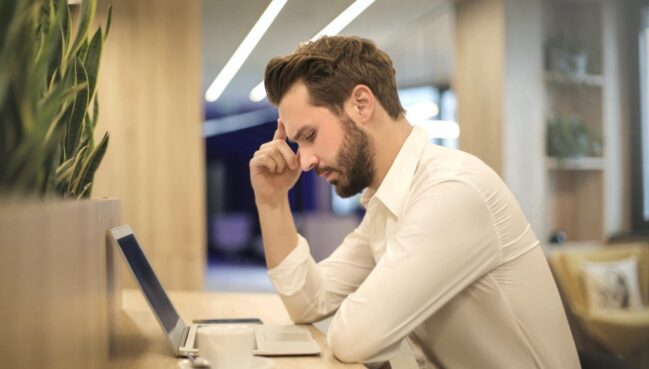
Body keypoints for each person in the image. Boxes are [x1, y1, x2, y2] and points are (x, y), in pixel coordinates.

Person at [249, 35, 580, 369]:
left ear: (361, 104)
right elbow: (309, 302)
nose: (304, 161)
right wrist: (272, 200)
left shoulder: (451, 191)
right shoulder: (389, 202)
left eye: (310, 136)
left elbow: (355, 339)